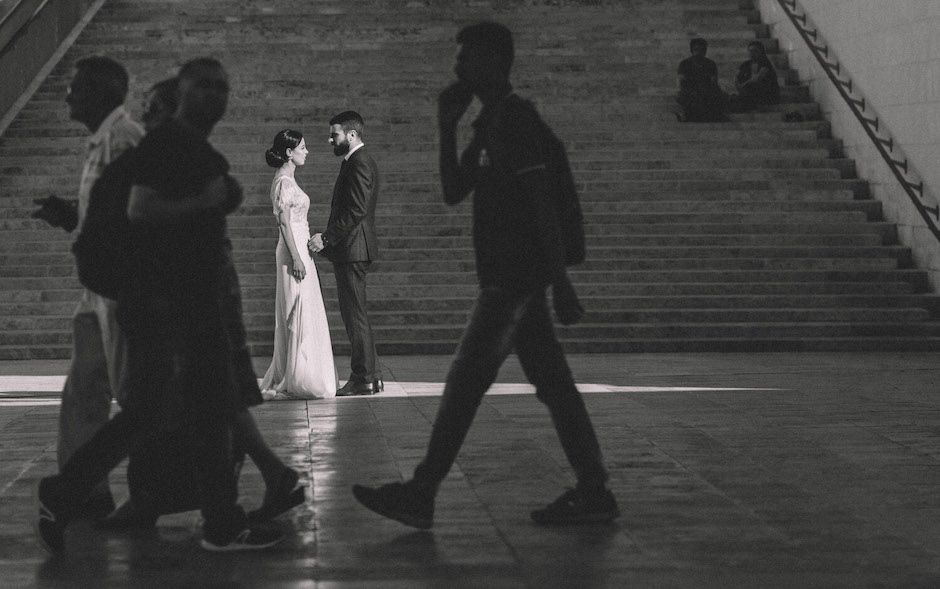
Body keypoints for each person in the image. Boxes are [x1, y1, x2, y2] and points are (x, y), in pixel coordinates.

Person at [351, 22, 619, 529]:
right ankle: (593, 487)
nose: (457, 68)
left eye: (467, 57)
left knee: (464, 384)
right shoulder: (490, 122)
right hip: (515, 281)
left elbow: (542, 205)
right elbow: (455, 190)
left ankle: (423, 490)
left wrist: (560, 282)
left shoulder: (515, 121)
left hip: (512, 283)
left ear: (494, 60)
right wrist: (446, 126)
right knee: (554, 387)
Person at [35, 58, 285, 554]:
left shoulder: (179, 145)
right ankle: (222, 523)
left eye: (222, 86)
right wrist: (209, 201)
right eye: (203, 87)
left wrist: (219, 197)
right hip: (172, 302)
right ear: (183, 95)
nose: (215, 95)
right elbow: (141, 209)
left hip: (168, 300)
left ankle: (63, 493)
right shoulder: (172, 144)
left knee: (155, 413)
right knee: (204, 409)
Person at [94, 80, 304, 530]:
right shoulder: (182, 153)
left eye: (152, 108)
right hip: (195, 292)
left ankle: (213, 507)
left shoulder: (173, 153)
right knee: (218, 396)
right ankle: (253, 486)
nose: (144, 116)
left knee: (198, 397)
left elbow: (153, 211)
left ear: (174, 110)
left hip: (190, 294)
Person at [31, 55, 144, 519]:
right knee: (84, 388)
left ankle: (145, 491)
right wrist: (70, 216)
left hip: (120, 285)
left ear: (100, 93)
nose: (68, 94)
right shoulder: (100, 141)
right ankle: (86, 490)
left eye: (76, 86)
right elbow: (103, 213)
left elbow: (138, 214)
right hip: (96, 287)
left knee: (130, 390)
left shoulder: (125, 140)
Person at [259, 129, 338, 400]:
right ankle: (295, 375)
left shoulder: (290, 180)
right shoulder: (282, 182)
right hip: (293, 252)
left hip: (302, 251)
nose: (307, 152)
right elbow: (283, 223)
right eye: (303, 148)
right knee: (296, 307)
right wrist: (296, 258)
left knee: (306, 306)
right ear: (289, 152)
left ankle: (305, 370)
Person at [309, 111, 383, 397]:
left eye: (334, 134)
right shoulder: (355, 161)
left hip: (353, 248)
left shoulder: (360, 162)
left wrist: (326, 238)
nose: (330, 140)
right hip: (353, 247)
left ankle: (363, 378)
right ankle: (371, 378)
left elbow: (356, 210)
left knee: (354, 315)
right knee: (357, 314)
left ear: (351, 135)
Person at [675, 38, 729, 122]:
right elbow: (681, 80)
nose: (699, 52)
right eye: (696, 49)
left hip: (705, 91)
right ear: (691, 50)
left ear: (705, 51)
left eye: (702, 50)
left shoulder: (710, 64)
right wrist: (680, 90)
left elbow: (714, 82)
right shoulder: (685, 63)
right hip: (690, 91)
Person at [732, 40, 780, 110]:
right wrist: (739, 85)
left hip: (765, 94)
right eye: (750, 51)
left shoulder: (766, 64)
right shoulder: (745, 64)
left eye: (755, 51)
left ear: (761, 52)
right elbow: (737, 78)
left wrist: (744, 85)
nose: (752, 53)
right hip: (749, 93)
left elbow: (756, 79)